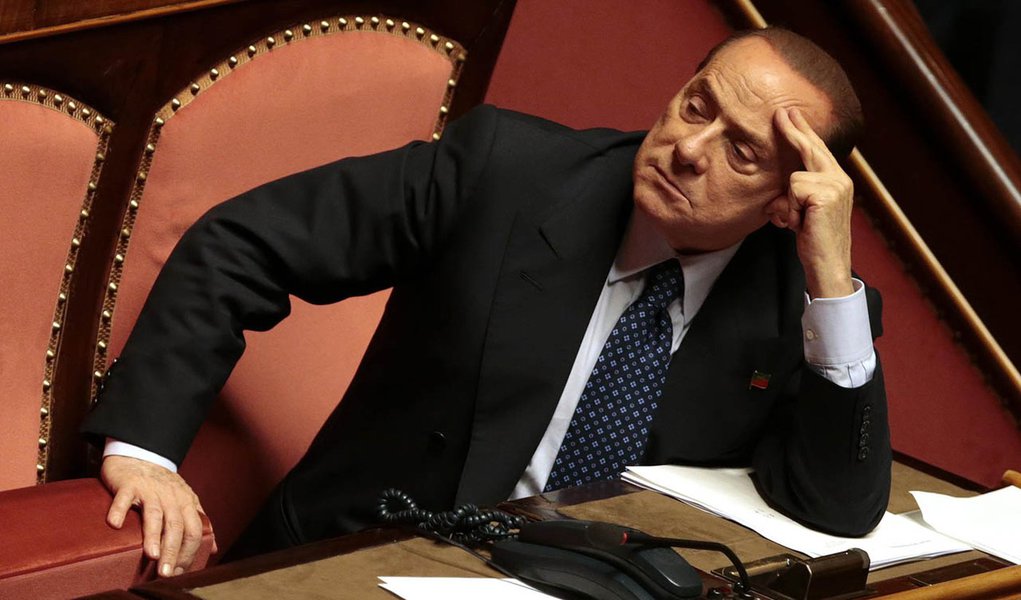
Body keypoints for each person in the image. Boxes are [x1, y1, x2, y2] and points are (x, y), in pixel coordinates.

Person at [83, 27, 891, 578]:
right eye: (695, 105)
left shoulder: (809, 302)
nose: (688, 150)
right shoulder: (506, 172)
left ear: (787, 204)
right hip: (363, 563)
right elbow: (245, 240)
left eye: (740, 151)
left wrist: (828, 276)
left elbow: (835, 507)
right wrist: (145, 450)